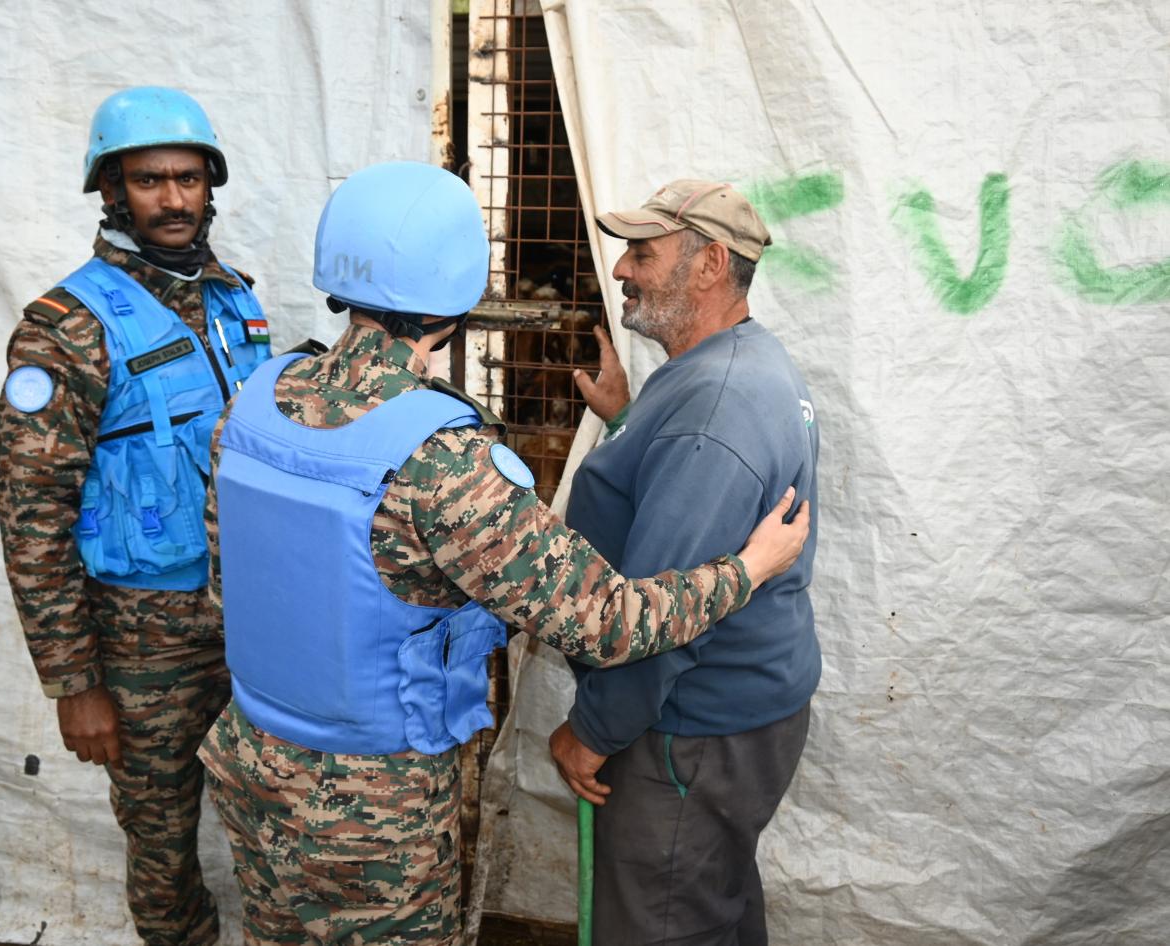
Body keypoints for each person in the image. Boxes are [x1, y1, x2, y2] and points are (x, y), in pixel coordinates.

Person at [194, 161, 810, 946]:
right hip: (370, 809)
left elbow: (225, 585)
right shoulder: (441, 459)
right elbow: (606, 621)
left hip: (252, 762)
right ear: (456, 290)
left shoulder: (253, 401)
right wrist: (748, 568)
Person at [0, 86, 271, 946]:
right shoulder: (65, 328)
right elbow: (32, 515)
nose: (174, 199)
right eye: (150, 180)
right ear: (110, 188)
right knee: (161, 844)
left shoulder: (238, 303)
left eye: (189, 178)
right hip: (144, 642)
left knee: (280, 813)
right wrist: (75, 683)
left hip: (260, 623)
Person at [547, 180, 821, 945]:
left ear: (709, 266)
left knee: (659, 921)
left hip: (687, 730)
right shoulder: (738, 362)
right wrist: (629, 420)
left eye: (643, 252)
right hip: (735, 717)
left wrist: (594, 732)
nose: (623, 270)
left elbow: (662, 616)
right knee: (708, 905)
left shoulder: (714, 408)